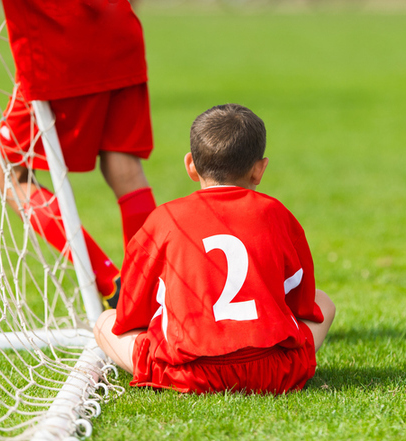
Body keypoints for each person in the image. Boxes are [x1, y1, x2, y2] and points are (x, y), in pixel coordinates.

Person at [94, 104, 336, 394]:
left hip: (188, 373)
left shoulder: (164, 218)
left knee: (104, 322)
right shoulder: (277, 214)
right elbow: (303, 302)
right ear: (259, 170)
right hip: (272, 371)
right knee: (325, 303)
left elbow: (131, 313)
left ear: (190, 166)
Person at [0, 0, 157, 308]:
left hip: (56, 49)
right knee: (125, 167)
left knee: (6, 175)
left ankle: (111, 283)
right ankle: (147, 294)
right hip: (119, 31)